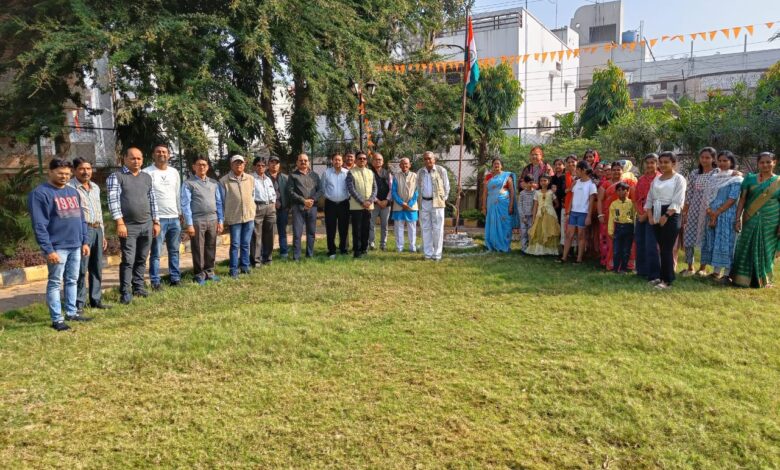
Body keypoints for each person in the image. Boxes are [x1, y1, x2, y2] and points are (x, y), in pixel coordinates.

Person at [29, 158, 91, 331]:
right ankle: (57, 319)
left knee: (72, 280)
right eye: (60, 173)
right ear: (50, 172)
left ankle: (72, 312)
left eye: (67, 174)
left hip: (76, 245)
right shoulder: (40, 194)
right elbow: (39, 225)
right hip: (57, 247)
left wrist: (85, 241)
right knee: (55, 282)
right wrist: (48, 250)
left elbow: (81, 219)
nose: (64, 177)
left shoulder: (72, 192)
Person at [107, 147, 160, 304]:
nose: (136, 161)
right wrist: (120, 223)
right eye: (132, 158)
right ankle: (125, 291)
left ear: (142, 160)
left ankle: (138, 287)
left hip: (147, 224)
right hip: (128, 226)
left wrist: (156, 221)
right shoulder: (117, 177)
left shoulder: (146, 177)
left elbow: (152, 200)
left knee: (142, 258)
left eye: (139, 158)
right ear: (124, 159)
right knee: (128, 260)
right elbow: (113, 201)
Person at [731, 152, 779, 288]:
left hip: (771, 221)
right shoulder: (750, 179)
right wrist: (737, 219)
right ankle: (741, 279)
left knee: (766, 249)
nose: (765, 165)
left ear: (774, 162)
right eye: (762, 162)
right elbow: (742, 200)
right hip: (750, 218)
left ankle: (764, 279)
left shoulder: (778, 182)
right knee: (746, 246)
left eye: (768, 162)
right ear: (758, 164)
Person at [70, 158, 109, 312]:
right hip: (82, 230)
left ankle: (95, 299)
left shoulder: (95, 187)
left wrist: (103, 233)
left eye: (88, 168)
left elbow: (98, 211)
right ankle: (78, 303)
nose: (85, 172)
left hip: (97, 229)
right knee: (81, 268)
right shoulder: (70, 188)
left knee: (96, 266)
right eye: (81, 169)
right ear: (74, 170)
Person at [645, 152, 687, 290]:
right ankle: (661, 276)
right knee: (660, 247)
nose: (662, 165)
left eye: (666, 162)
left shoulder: (679, 179)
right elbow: (650, 197)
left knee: (667, 248)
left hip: (671, 214)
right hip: (656, 212)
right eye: (661, 162)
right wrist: (650, 215)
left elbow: (678, 200)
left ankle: (667, 280)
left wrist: (666, 216)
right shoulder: (657, 179)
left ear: (673, 163)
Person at [143, 143, 182, 290]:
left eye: (164, 152)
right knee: (156, 252)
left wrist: (179, 212)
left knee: (174, 251)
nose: (161, 154)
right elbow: (145, 197)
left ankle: (175, 278)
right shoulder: (147, 172)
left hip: (174, 218)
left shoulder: (174, 172)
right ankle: (155, 281)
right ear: (153, 155)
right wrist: (153, 219)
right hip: (158, 219)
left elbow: (177, 193)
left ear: (169, 155)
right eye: (158, 152)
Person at [700, 151, 743, 281]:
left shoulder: (736, 178)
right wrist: (709, 210)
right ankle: (716, 272)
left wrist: (717, 212)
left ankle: (727, 274)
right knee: (714, 241)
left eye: (725, 161)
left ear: (731, 162)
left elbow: (733, 198)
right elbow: (707, 195)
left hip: (727, 214)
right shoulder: (714, 177)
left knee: (726, 242)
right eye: (720, 160)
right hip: (712, 213)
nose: (722, 163)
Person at [181, 156, 224, 285]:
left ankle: (209, 272)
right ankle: (199, 274)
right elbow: (185, 204)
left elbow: (219, 203)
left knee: (211, 246)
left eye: (204, 164)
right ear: (194, 167)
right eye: (199, 164)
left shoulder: (214, 183)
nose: (202, 167)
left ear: (208, 167)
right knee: (198, 248)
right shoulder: (189, 183)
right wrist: (189, 224)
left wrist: (221, 220)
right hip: (197, 220)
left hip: (213, 219)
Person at [681, 147, 717, 277]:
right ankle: (690, 267)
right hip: (694, 210)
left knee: (705, 238)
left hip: (708, 210)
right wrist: (685, 211)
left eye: (708, 157)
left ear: (713, 159)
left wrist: (737, 173)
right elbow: (689, 193)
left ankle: (702, 268)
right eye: (702, 157)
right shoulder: (694, 173)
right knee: (688, 237)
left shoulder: (717, 173)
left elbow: (730, 175)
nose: (704, 160)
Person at [219, 154, 256, 277]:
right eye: (236, 163)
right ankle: (233, 269)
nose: (239, 165)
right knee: (235, 244)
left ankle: (245, 267)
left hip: (249, 216)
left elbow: (253, 195)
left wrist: (253, 209)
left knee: (246, 243)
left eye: (241, 163)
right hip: (234, 217)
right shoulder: (224, 181)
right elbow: (222, 200)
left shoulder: (250, 179)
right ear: (231, 165)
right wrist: (222, 218)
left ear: (244, 164)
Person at [597, 160, 637, 270]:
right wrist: (600, 215)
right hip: (608, 216)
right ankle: (610, 262)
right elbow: (600, 200)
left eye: (618, 170)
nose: (616, 172)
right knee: (610, 240)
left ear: (622, 171)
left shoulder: (628, 183)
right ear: (610, 171)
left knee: (627, 242)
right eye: (613, 170)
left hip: (626, 217)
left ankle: (627, 264)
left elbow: (634, 200)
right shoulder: (605, 184)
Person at [560, 161, 597, 264]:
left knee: (581, 235)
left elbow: (591, 201)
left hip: (583, 213)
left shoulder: (591, 184)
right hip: (573, 212)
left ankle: (579, 259)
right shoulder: (576, 182)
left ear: (583, 170)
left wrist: (588, 216)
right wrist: (568, 212)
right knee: (569, 235)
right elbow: (572, 197)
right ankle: (564, 258)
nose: (575, 171)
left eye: (577, 169)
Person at [417, 151, 450, 261]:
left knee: (438, 229)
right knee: (425, 228)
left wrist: (443, 199)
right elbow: (418, 187)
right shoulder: (420, 172)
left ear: (434, 160)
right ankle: (428, 254)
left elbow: (446, 187)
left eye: (429, 158)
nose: (427, 161)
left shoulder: (441, 170)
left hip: (437, 203)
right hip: (424, 203)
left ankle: (437, 254)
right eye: (425, 159)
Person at [634, 153, 662, 282]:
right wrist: (640, 214)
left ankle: (654, 273)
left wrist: (645, 215)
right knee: (640, 243)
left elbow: (657, 200)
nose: (649, 165)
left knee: (651, 244)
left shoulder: (660, 179)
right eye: (647, 163)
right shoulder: (641, 179)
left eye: (652, 162)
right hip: (641, 215)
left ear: (657, 164)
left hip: (653, 214)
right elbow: (636, 198)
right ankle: (641, 271)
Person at [288, 153, 322, 260]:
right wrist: (304, 201)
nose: (303, 162)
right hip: (298, 207)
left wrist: (311, 200)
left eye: (305, 160)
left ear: (308, 162)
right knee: (297, 233)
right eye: (301, 160)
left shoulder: (315, 175)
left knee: (311, 233)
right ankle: (296, 256)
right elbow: (290, 192)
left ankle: (309, 254)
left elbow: (320, 190)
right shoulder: (293, 176)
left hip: (312, 207)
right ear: (297, 162)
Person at [346, 151, 377, 258]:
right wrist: (362, 202)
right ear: (356, 160)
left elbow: (375, 188)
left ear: (366, 160)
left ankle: (364, 249)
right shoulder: (351, 173)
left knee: (366, 228)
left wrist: (370, 201)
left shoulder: (370, 172)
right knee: (357, 229)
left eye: (364, 158)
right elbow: (351, 189)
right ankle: (357, 250)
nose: (362, 160)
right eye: (360, 158)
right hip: (356, 206)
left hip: (368, 206)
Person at [482, 158, 515, 252]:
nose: (496, 165)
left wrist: (511, 206)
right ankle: (492, 244)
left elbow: (512, 192)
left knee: (505, 224)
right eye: (494, 164)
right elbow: (485, 193)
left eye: (498, 164)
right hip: (491, 204)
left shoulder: (507, 176)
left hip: (504, 203)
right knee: (492, 223)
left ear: (502, 166)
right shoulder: (488, 177)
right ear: (492, 166)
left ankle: (504, 244)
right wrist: (484, 207)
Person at [322, 153, 350, 258]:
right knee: (330, 228)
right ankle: (332, 250)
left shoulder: (347, 173)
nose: (337, 161)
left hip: (344, 204)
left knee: (344, 228)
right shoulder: (326, 173)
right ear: (332, 161)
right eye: (335, 160)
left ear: (342, 162)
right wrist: (328, 196)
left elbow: (350, 187)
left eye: (339, 160)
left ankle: (343, 249)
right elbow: (323, 187)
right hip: (330, 204)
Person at [249, 157, 276, 267]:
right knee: (256, 235)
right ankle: (256, 260)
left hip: (270, 207)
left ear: (266, 167)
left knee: (270, 234)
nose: (260, 167)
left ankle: (268, 258)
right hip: (258, 207)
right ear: (254, 166)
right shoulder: (251, 179)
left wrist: (273, 204)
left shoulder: (268, 179)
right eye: (258, 165)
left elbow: (273, 193)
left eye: (263, 165)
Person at [525, 174, 560, 255]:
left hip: (550, 215)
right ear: (539, 182)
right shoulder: (537, 193)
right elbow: (535, 206)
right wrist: (533, 218)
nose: (543, 182)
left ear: (549, 181)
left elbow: (557, 204)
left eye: (545, 180)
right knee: (539, 231)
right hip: (539, 214)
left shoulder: (551, 192)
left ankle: (550, 250)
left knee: (549, 231)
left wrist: (550, 208)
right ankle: (539, 250)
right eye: (541, 181)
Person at [392, 157, 419, 252]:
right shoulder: (396, 176)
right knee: (398, 228)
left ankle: (412, 247)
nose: (404, 165)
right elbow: (394, 192)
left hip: (411, 206)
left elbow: (417, 191)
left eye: (406, 163)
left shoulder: (415, 176)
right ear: (400, 165)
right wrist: (401, 203)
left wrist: (409, 204)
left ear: (410, 165)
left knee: (412, 228)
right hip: (399, 206)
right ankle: (399, 248)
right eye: (402, 164)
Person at [608, 182, 636, 273]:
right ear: (616, 192)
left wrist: (635, 231)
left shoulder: (632, 203)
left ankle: (624, 268)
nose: (621, 192)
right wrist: (610, 231)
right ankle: (615, 268)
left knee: (626, 250)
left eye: (624, 190)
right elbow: (611, 218)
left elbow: (634, 217)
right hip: (618, 228)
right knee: (616, 250)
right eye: (619, 190)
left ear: (628, 191)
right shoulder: (614, 204)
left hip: (629, 228)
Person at [369, 152, 393, 250]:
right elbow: (368, 189)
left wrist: (387, 200)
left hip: (386, 204)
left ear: (382, 162)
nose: (378, 161)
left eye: (380, 160)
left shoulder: (388, 173)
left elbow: (391, 188)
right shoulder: (369, 173)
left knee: (384, 225)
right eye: (376, 159)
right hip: (373, 203)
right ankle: (371, 243)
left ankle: (383, 244)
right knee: (371, 224)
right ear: (372, 161)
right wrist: (377, 201)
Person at [267, 156, 290, 259]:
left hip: (282, 209)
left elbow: (289, 193)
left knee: (282, 231)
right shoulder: (264, 177)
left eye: (276, 163)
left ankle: (284, 252)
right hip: (269, 210)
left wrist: (287, 206)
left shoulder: (285, 178)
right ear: (268, 164)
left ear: (279, 165)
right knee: (268, 232)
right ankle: (268, 253)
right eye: (272, 162)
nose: (274, 164)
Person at [560, 155, 578, 249]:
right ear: (566, 164)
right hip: (566, 205)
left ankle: (577, 250)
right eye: (568, 162)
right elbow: (562, 191)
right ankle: (567, 250)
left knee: (578, 230)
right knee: (565, 228)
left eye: (573, 162)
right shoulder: (563, 177)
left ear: (577, 162)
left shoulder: (582, 176)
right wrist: (571, 187)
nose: (571, 164)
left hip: (579, 206)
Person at [517, 175, 536, 251]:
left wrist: (534, 215)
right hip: (524, 216)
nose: (530, 184)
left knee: (531, 232)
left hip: (532, 216)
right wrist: (523, 216)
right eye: (529, 183)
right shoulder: (522, 193)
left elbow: (536, 205)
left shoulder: (535, 193)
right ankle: (524, 248)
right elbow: (519, 205)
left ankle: (530, 248)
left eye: (532, 182)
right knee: (523, 232)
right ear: (525, 183)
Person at [550, 158, 566, 223]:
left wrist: (556, 190)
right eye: (556, 165)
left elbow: (565, 190)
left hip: (564, 203)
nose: (557, 166)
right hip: (554, 204)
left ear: (564, 166)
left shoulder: (566, 177)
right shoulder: (552, 178)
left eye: (559, 164)